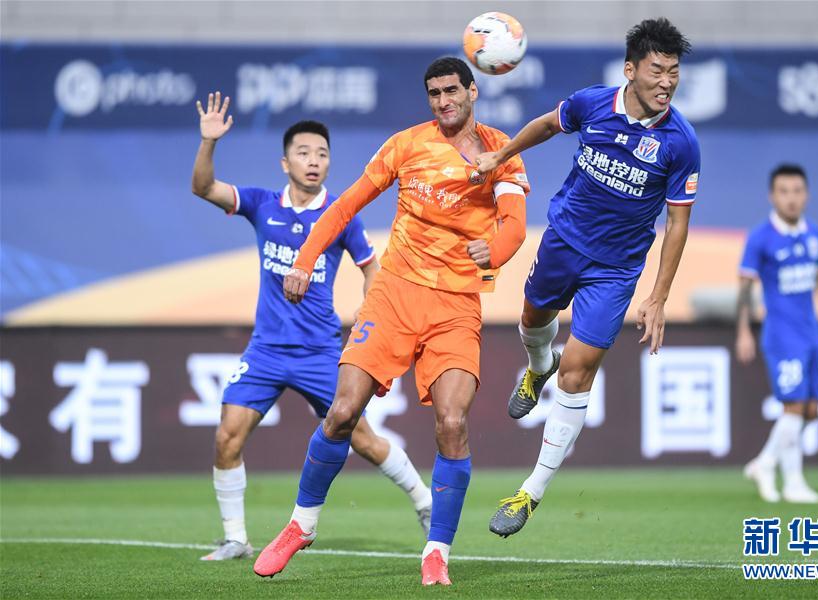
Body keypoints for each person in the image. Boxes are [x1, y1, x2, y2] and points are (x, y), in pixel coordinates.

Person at [252, 57, 529, 586]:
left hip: (455, 305)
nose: (443, 101)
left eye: (452, 91)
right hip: (393, 295)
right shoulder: (406, 144)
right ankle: (301, 525)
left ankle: (436, 551)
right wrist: (305, 259)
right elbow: (345, 206)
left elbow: (515, 225)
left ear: (472, 91)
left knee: (452, 424)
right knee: (341, 412)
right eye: (434, 93)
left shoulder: (500, 151)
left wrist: (492, 252)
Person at [474, 17, 700, 537]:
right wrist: (501, 155)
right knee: (533, 318)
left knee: (578, 372)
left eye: (674, 72)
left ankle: (530, 492)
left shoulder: (681, 142)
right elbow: (548, 125)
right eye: (657, 70)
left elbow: (677, 222)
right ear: (630, 70)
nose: (666, 82)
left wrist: (658, 297)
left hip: (615, 271)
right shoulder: (592, 104)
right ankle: (537, 366)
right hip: (564, 241)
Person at [190, 92, 431, 561]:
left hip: (320, 351)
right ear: (286, 163)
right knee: (227, 436)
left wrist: (370, 312)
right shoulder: (261, 204)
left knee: (363, 440)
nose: (314, 161)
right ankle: (236, 538)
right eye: (304, 153)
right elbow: (203, 187)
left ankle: (424, 501)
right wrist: (208, 142)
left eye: (322, 153)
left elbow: (371, 267)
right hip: (266, 350)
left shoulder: (341, 215)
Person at [738, 164, 818, 504]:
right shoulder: (760, 237)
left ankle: (764, 463)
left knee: (811, 410)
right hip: (782, 334)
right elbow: (745, 287)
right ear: (772, 196)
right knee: (794, 407)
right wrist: (743, 331)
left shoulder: (813, 233)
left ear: (807, 195)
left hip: (811, 332)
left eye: (797, 191)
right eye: (784, 191)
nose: (791, 198)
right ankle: (793, 482)